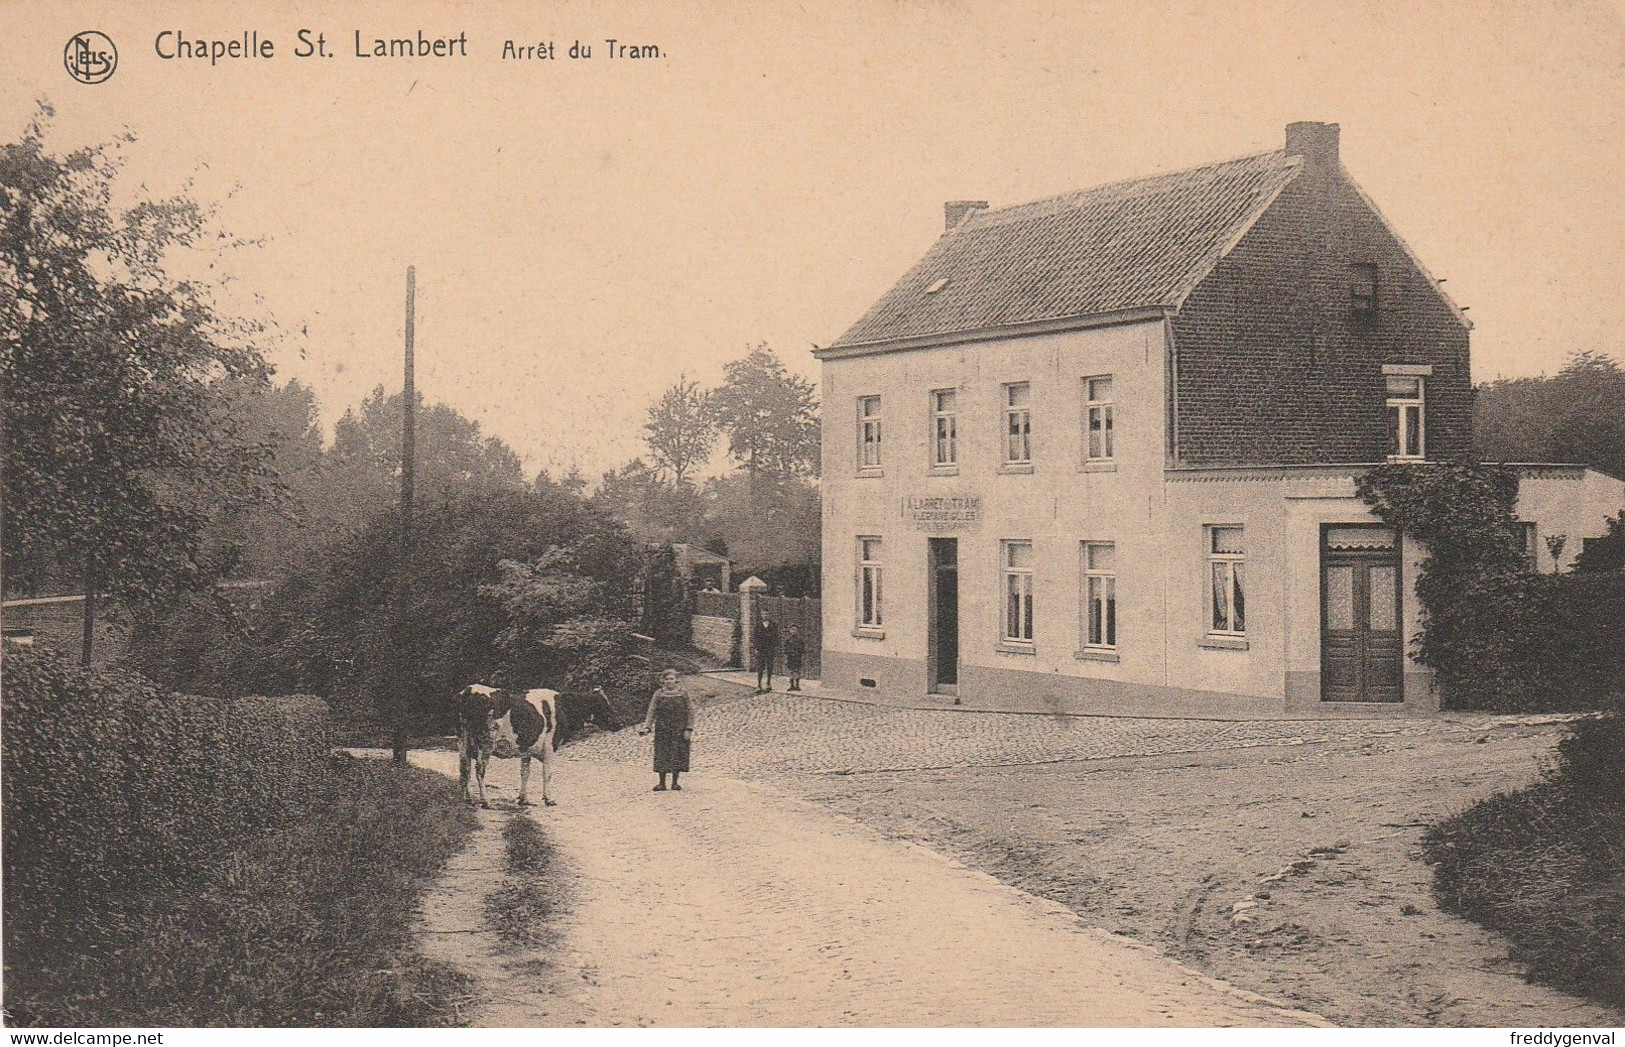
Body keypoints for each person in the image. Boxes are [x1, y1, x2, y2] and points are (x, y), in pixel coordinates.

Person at [639, 668, 693, 791]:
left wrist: (689, 729)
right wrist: (647, 727)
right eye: (667, 679)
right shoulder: (658, 694)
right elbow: (652, 711)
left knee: (677, 754)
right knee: (662, 754)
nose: (669, 681)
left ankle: (675, 782)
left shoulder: (683, 693)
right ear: (663, 681)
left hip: (679, 728)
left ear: (676, 680)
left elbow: (690, 711)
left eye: (671, 679)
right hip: (662, 728)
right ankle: (661, 783)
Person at [753, 613, 779, 693]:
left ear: (769, 615)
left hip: (770, 649)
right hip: (761, 649)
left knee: (769, 666)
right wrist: (756, 648)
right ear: (761, 615)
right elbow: (755, 637)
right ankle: (758, 684)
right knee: (760, 666)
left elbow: (776, 637)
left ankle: (768, 683)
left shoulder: (773, 625)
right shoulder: (758, 625)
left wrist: (774, 647)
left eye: (767, 614)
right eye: (763, 614)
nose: (765, 616)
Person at [783, 624, 804, 692]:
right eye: (792, 630)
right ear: (789, 631)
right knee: (791, 671)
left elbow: (802, 649)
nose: (793, 631)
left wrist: (801, 657)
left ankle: (797, 685)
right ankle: (791, 685)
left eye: (795, 630)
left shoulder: (800, 640)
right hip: (790, 657)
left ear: (797, 631)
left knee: (797, 671)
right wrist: (786, 658)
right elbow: (785, 649)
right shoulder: (788, 640)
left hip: (797, 657)